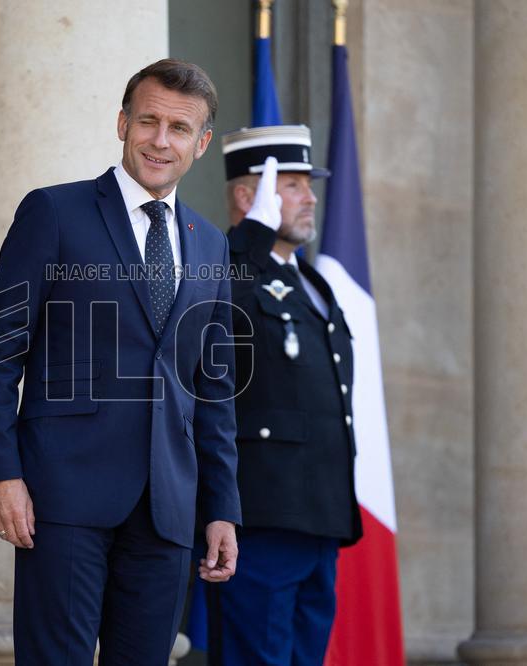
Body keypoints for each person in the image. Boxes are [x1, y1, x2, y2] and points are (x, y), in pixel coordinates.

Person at [0, 59, 242, 665]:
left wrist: (221, 507)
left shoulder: (211, 244)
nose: (160, 141)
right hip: (61, 497)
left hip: (168, 508)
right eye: (148, 121)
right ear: (122, 123)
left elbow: (213, 390)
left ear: (201, 143)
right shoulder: (54, 213)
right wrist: (1, 473)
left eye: (178, 128)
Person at [191, 125, 363, 665]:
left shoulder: (313, 281)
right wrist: (254, 235)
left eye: (307, 184)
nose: (310, 196)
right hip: (260, 518)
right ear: (250, 196)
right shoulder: (231, 265)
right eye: (291, 185)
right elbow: (209, 310)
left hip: (318, 517)